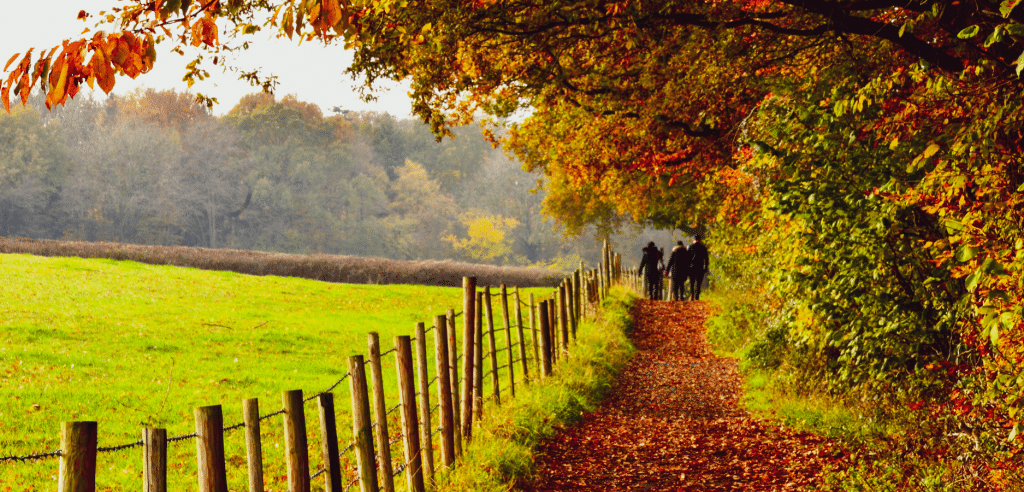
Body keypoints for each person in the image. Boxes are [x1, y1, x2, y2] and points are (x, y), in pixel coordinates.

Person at [688, 235, 710, 300]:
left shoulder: (691, 247)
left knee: (691, 282)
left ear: (693, 239)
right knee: (698, 283)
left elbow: (687, 258)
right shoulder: (703, 248)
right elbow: (706, 259)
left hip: (692, 267)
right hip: (700, 267)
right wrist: (705, 267)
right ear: (700, 240)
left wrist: (687, 267)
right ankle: (697, 296)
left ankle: (691, 294)